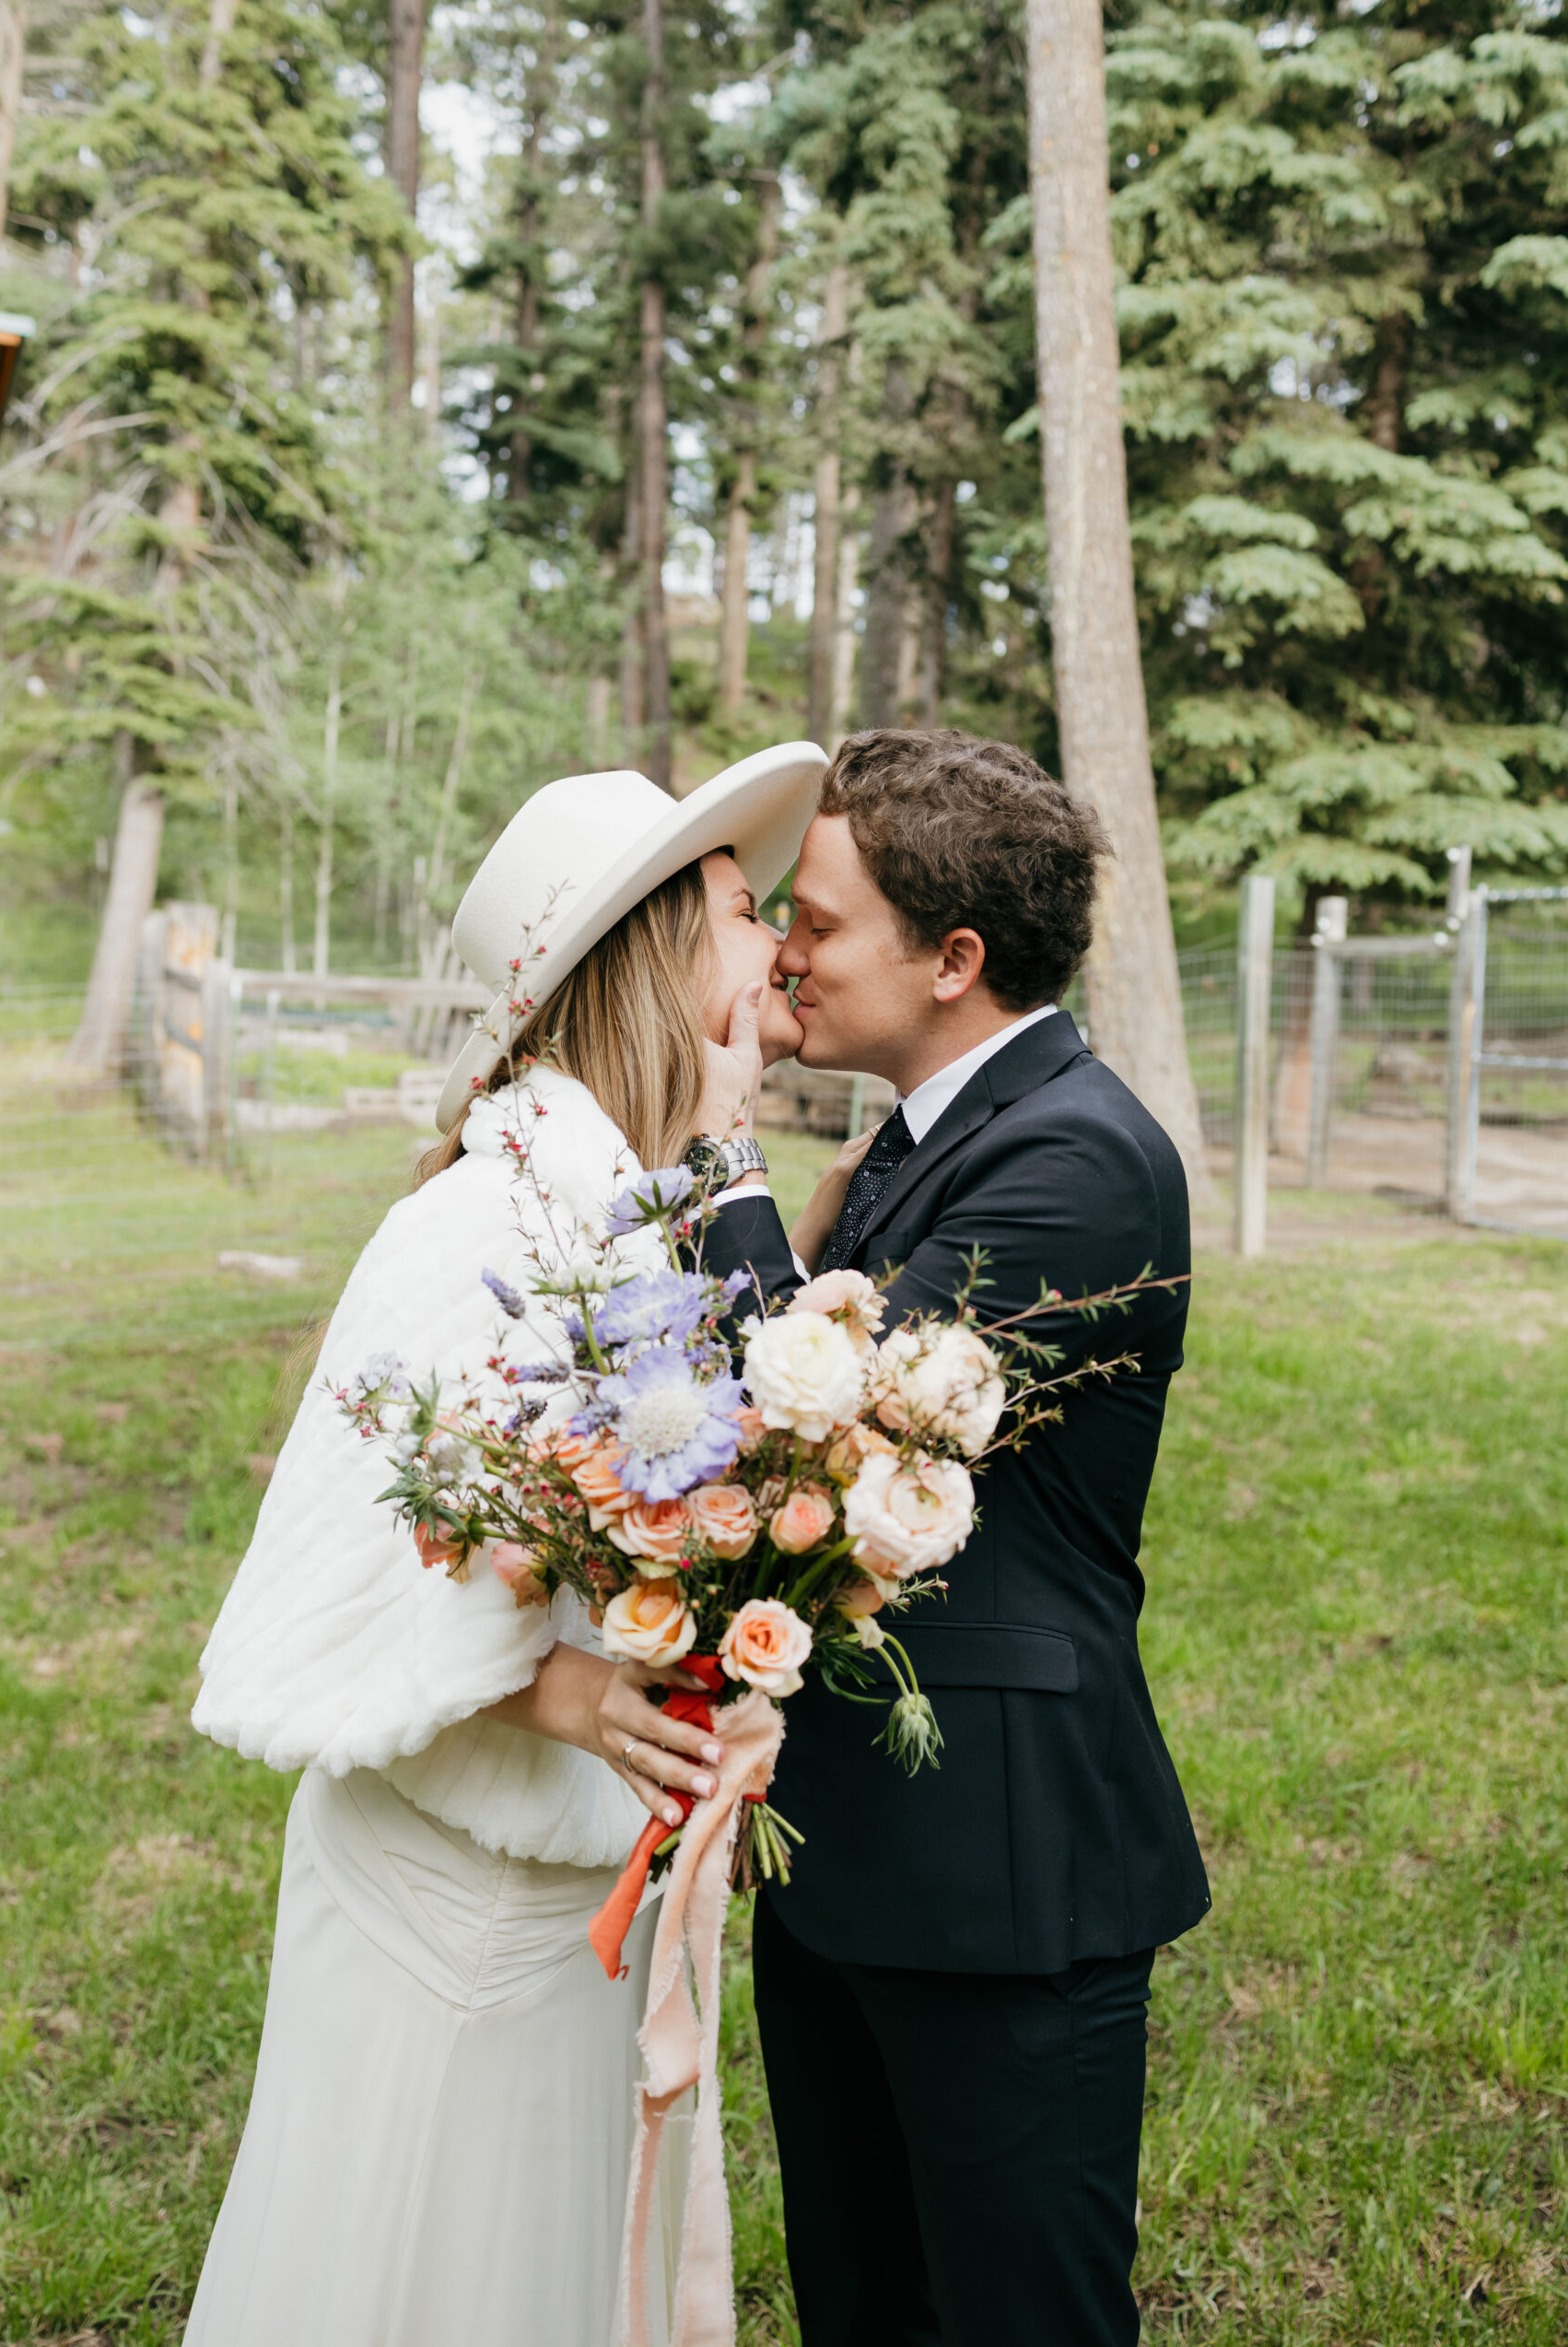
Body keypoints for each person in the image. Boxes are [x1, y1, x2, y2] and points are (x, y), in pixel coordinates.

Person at [182, 742, 831, 2347]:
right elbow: (352, 1554)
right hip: (451, 1905)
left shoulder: (624, 1208)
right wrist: (545, 1693)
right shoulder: (477, 1227)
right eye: (744, 914)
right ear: (663, 957)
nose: (774, 954)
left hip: (567, 1904)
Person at [698, 728, 1211, 2347]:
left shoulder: (1079, 1161)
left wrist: (722, 1157)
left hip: (1004, 1872)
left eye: (822, 919)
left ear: (954, 960)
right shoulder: (920, 1145)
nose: (785, 950)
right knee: (865, 2302)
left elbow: (822, 1447)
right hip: (855, 1853)